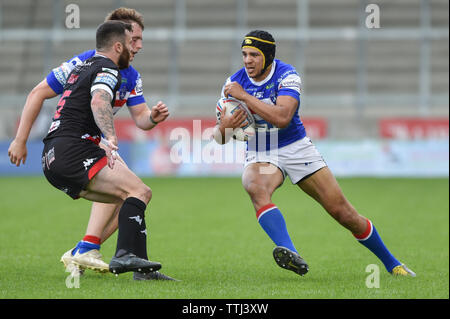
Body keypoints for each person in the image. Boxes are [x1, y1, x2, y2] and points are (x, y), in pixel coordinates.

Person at [213, 30, 416, 277]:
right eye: (244, 54)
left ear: (268, 56)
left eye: (254, 55)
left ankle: (393, 264)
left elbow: (283, 118)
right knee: (254, 185)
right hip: (260, 152)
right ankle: (290, 253)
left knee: (343, 213)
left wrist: (244, 96)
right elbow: (220, 139)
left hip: (296, 148)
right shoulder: (232, 83)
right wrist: (225, 126)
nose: (247, 60)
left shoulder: (287, 75)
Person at [8, 8, 175, 281]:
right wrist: (20, 139)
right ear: (117, 40)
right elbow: (44, 93)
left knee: (132, 193)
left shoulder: (130, 75)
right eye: (134, 39)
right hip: (76, 146)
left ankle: (90, 250)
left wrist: (153, 118)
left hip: (73, 147)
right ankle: (118, 255)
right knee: (137, 191)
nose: (140, 46)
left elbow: (141, 119)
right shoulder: (91, 63)